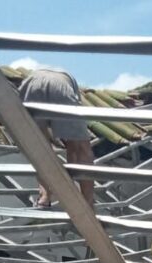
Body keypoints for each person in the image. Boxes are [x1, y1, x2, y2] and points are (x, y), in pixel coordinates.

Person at [18, 68, 95, 207]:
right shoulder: (72, 89)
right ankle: (88, 203)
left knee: (39, 146)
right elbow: (73, 148)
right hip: (60, 85)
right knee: (81, 149)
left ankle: (44, 196)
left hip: (31, 83)